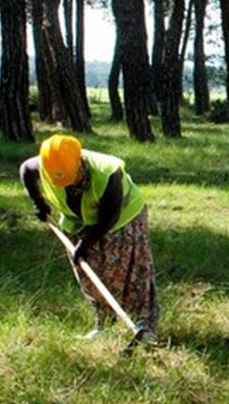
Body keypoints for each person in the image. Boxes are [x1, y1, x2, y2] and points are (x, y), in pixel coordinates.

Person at [20, 135, 159, 343]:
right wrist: (38, 202)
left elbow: (108, 218)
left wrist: (85, 243)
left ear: (79, 163)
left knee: (131, 272)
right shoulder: (47, 165)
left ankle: (144, 326)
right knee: (89, 273)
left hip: (122, 219)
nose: (65, 185)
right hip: (77, 220)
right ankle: (104, 324)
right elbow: (25, 170)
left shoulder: (107, 173)